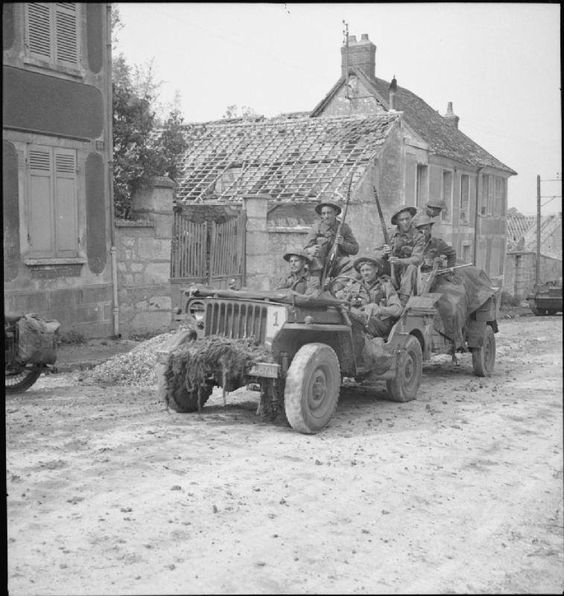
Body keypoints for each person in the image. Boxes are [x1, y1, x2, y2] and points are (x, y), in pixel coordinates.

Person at [377, 206, 425, 306]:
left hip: (407, 270)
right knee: (373, 263)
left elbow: (417, 259)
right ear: (397, 222)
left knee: (412, 267)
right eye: (401, 220)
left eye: (407, 219)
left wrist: (399, 261)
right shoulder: (390, 234)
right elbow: (376, 251)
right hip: (390, 268)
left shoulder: (418, 236)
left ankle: (403, 299)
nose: (405, 222)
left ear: (411, 218)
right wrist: (384, 252)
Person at [304, 200, 359, 283]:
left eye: (329, 213)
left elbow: (355, 249)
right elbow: (304, 250)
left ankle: (338, 288)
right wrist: (310, 250)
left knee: (350, 265)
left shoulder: (344, 228)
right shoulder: (315, 228)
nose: (326, 216)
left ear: (335, 213)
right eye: (323, 213)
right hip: (319, 264)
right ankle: (315, 285)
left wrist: (343, 243)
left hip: (337, 263)